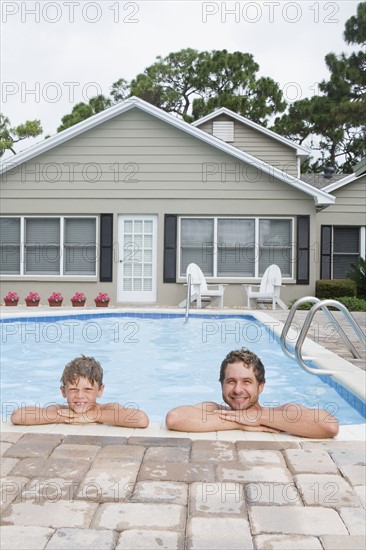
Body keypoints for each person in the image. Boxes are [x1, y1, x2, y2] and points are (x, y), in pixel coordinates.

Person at [165, 348, 339, 439]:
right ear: (222, 385)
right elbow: (175, 418)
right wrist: (241, 423)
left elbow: (328, 425)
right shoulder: (212, 408)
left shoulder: (282, 411)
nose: (238, 390)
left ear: (260, 386)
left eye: (247, 382)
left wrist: (257, 417)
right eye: (231, 381)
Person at [11, 355, 149, 428]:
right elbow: (18, 416)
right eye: (73, 389)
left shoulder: (108, 409)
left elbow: (141, 419)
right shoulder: (59, 410)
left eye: (88, 389)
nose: (80, 396)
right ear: (63, 391)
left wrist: (91, 416)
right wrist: (69, 418)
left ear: (100, 391)